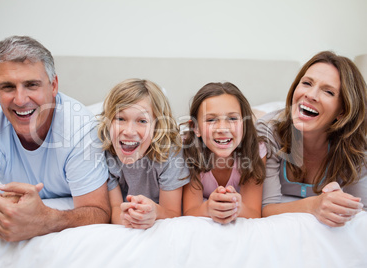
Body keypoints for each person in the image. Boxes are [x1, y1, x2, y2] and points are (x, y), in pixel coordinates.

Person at [0, 36, 111, 242]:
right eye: (8, 87)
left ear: (53, 86)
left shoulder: (80, 127)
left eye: (31, 85)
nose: (21, 100)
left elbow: (99, 211)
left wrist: (44, 219)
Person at [257, 51, 366, 227]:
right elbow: (265, 209)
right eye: (307, 83)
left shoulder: (357, 145)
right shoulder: (267, 133)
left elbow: (362, 210)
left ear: (343, 111)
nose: (311, 95)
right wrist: (313, 205)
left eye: (328, 92)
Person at [97, 78, 190, 229]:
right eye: (120, 118)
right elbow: (115, 208)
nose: (129, 131)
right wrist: (125, 219)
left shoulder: (170, 153)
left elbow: (172, 212)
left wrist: (155, 212)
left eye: (142, 121)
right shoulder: (106, 152)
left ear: (157, 126)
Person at [182, 82, 266, 223]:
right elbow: (190, 211)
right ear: (195, 127)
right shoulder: (188, 151)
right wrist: (207, 208)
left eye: (232, 118)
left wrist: (238, 207)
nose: (222, 128)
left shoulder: (255, 150)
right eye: (211, 119)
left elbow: (254, 212)